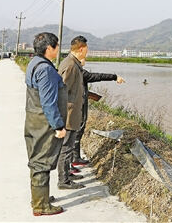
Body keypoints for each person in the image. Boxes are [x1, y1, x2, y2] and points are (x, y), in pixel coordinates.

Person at [24, 32, 67, 216]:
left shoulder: (34, 63)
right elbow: (48, 102)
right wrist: (58, 126)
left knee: (36, 160)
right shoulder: (46, 70)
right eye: (57, 46)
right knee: (42, 162)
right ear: (49, 48)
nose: (58, 50)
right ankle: (41, 206)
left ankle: (39, 197)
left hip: (34, 119)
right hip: (44, 122)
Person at [71, 69, 125, 168]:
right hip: (77, 106)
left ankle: (75, 158)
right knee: (77, 132)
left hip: (75, 104)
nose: (84, 60)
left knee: (76, 132)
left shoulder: (72, 67)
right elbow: (96, 76)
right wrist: (114, 77)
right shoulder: (76, 70)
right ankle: (74, 160)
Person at [56, 36, 88, 189]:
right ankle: (63, 180)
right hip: (68, 115)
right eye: (86, 50)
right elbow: (61, 92)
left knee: (68, 147)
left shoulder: (75, 65)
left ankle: (67, 174)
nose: (87, 53)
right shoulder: (70, 66)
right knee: (66, 148)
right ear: (81, 49)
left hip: (73, 114)